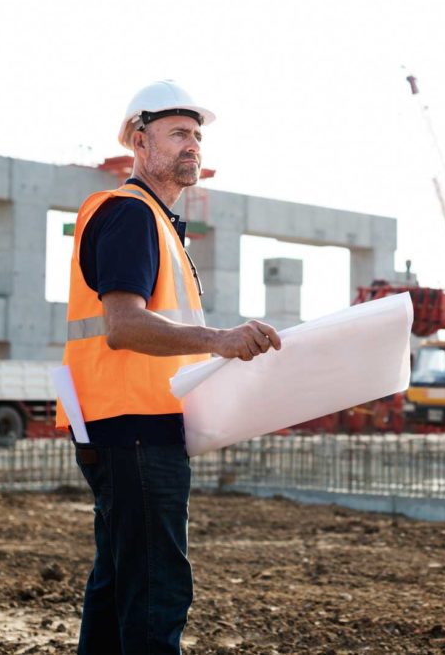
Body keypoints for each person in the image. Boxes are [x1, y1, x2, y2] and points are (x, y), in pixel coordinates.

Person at [55, 80, 281, 655]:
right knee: (156, 592)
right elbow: (124, 325)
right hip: (133, 429)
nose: (193, 146)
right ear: (139, 140)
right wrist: (221, 340)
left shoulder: (151, 221)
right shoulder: (131, 215)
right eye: (178, 133)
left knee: (119, 588)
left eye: (197, 135)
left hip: (122, 427)